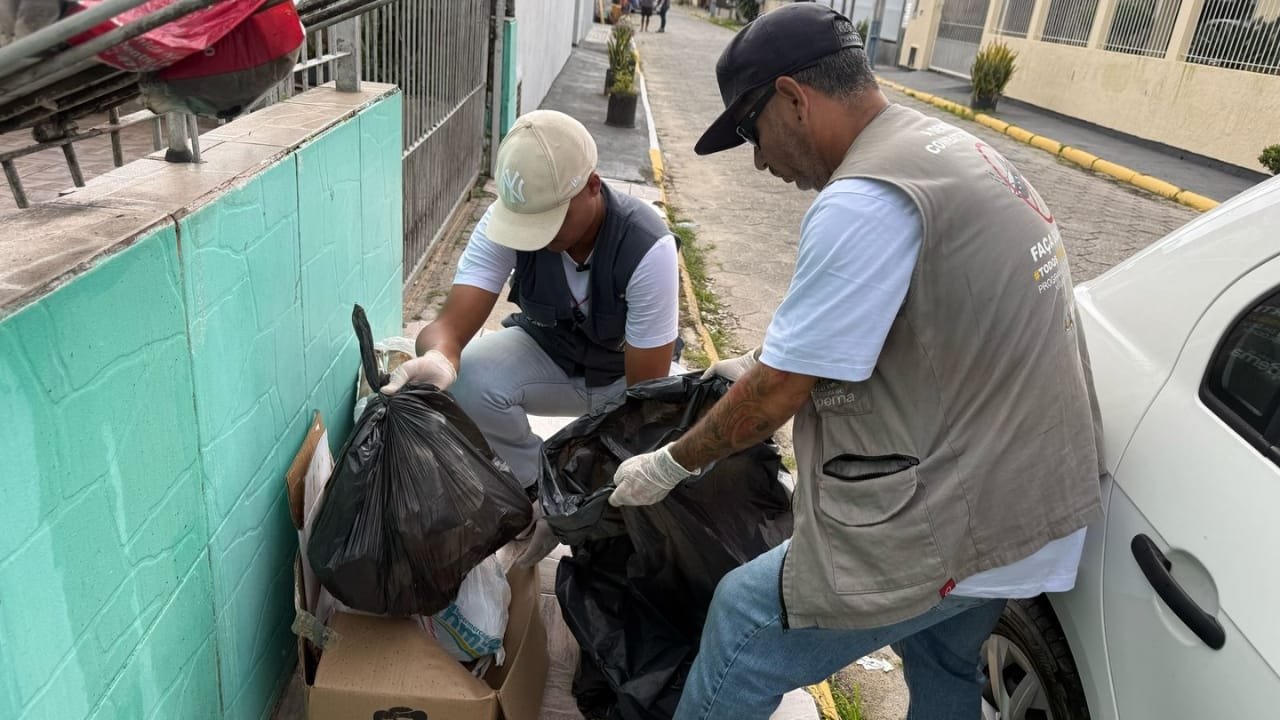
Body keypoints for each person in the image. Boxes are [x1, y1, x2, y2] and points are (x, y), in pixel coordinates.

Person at [608, 5, 1104, 719]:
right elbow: (916, 322)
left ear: (792, 99)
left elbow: (776, 396)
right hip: (1032, 508)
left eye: (751, 131)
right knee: (939, 657)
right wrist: (753, 360)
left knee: (744, 620)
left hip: (967, 521)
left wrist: (670, 464)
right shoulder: (950, 152)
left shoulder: (863, 200)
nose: (758, 160)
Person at [384, 110, 680, 562]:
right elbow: (449, 324)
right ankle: (532, 489)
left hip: (622, 381)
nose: (537, 237)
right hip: (553, 360)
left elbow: (644, 401)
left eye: (552, 219)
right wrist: (440, 359)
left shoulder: (646, 247)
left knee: (650, 463)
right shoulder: (510, 220)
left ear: (593, 186)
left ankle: (575, 498)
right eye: (528, 223)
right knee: (469, 378)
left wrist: (583, 487)